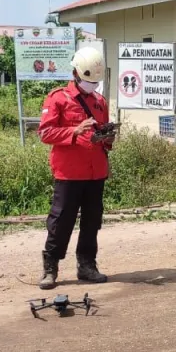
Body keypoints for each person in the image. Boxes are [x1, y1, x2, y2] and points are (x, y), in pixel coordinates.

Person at [37, 46, 115, 290]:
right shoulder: (58, 98)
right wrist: (74, 130)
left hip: (95, 172)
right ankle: (50, 268)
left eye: (95, 81)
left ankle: (87, 266)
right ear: (76, 74)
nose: (92, 85)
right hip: (69, 173)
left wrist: (108, 137)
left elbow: (103, 135)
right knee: (61, 222)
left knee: (92, 221)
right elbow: (45, 132)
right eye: (88, 79)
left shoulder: (100, 101)